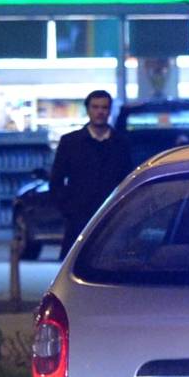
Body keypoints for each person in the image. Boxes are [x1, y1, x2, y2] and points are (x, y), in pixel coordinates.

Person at [48, 89, 133, 258]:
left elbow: (128, 178)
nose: (100, 112)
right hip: (79, 218)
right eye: (95, 107)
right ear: (88, 110)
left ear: (109, 110)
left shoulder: (121, 143)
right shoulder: (70, 142)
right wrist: (67, 209)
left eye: (104, 107)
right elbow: (56, 179)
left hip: (111, 216)